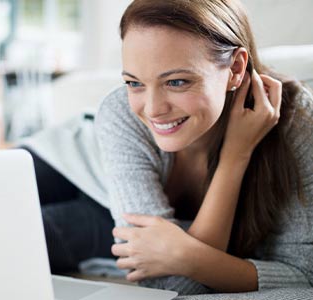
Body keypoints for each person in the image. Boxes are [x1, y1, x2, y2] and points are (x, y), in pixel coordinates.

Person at [19, 0, 313, 295]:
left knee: (12, 242)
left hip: (102, 211)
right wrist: (195, 257)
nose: (153, 109)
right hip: (73, 160)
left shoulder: (295, 121)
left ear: (235, 69)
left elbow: (174, 287)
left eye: (177, 81)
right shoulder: (122, 114)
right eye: (134, 83)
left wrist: (235, 156)